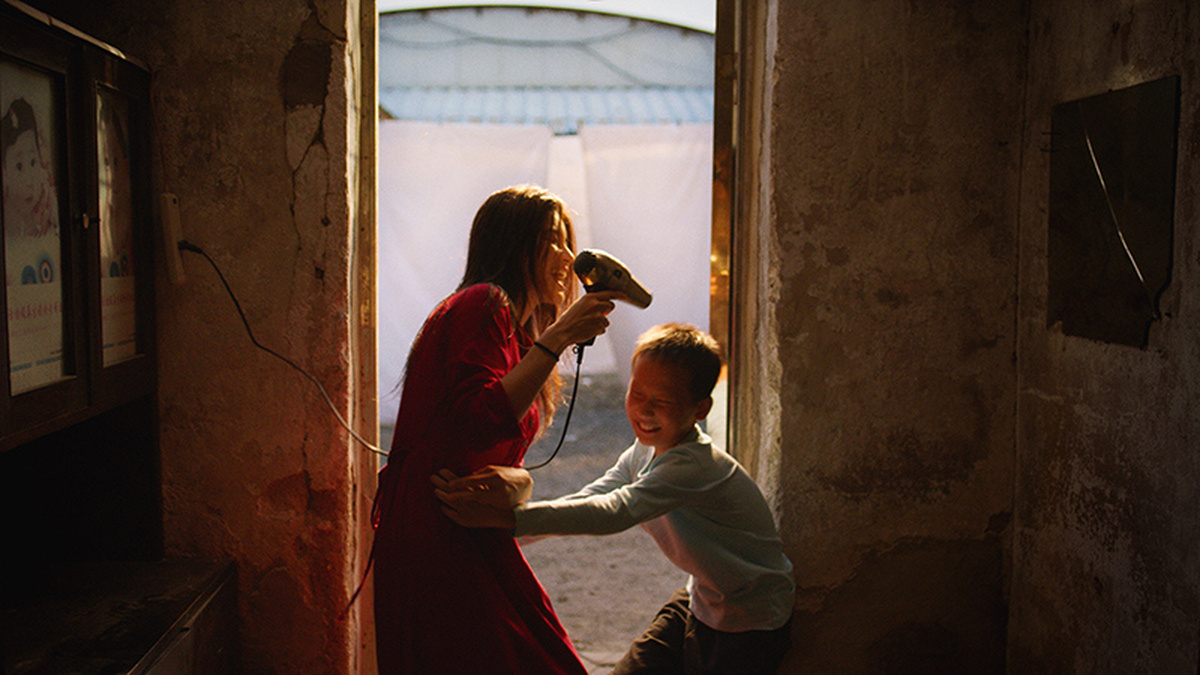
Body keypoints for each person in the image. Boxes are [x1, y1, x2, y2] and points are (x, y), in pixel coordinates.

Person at [435, 323, 796, 674]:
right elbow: (595, 494)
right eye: (637, 394)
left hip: (750, 618)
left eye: (662, 401)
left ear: (700, 409)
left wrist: (511, 520)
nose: (644, 411)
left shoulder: (692, 466)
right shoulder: (645, 450)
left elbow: (615, 511)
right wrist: (507, 532)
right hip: (701, 600)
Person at [371, 185, 621, 674]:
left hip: (472, 527)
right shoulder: (482, 303)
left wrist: (520, 483)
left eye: (568, 241)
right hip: (439, 533)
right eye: (551, 240)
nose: (568, 258)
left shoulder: (519, 335)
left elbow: (500, 454)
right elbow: (478, 420)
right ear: (511, 244)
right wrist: (559, 336)